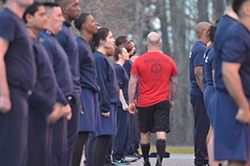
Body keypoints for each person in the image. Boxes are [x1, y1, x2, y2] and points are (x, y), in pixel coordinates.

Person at [23, 2, 66, 166]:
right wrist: (50, 104)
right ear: (29, 18)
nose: (46, 18)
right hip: (36, 109)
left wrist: (60, 102)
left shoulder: (38, 43)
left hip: (47, 109)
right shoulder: (28, 44)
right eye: (41, 15)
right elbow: (30, 80)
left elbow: (49, 77)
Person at [128, 32, 178, 166]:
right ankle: (159, 162)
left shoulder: (139, 61)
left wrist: (131, 101)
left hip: (144, 101)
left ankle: (145, 161)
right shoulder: (169, 61)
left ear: (146, 44)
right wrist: (171, 99)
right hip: (162, 101)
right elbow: (174, 82)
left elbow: (132, 83)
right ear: (160, 43)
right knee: (161, 132)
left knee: (145, 132)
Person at [211, 0, 250, 165]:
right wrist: (243, 106)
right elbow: (229, 72)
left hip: (239, 99)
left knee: (245, 158)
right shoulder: (236, 33)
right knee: (238, 159)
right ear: (247, 9)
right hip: (233, 99)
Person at [0, 0, 36, 165]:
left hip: (21, 95)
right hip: (12, 94)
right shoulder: (7, 19)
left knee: (19, 153)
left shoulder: (17, 21)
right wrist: (4, 95)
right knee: (11, 154)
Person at [37, 2, 73, 166]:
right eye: (58, 16)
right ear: (47, 17)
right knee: (53, 153)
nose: (61, 19)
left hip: (61, 102)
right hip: (54, 103)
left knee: (60, 151)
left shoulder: (53, 40)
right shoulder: (45, 41)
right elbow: (47, 76)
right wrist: (61, 102)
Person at [54, 1, 82, 164]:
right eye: (75, 4)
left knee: (69, 144)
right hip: (66, 95)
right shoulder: (60, 33)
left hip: (73, 93)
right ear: (64, 9)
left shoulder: (66, 32)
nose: (79, 8)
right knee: (63, 145)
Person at [72, 13, 99, 166]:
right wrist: (79, 98)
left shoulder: (86, 46)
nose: (95, 24)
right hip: (83, 93)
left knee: (86, 134)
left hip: (91, 93)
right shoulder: (79, 45)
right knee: (80, 136)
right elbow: (73, 72)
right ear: (84, 25)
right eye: (92, 21)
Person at [91, 27, 119, 166]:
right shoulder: (98, 58)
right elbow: (100, 84)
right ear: (101, 41)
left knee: (106, 139)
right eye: (110, 37)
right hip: (105, 106)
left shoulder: (103, 58)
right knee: (102, 139)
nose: (113, 40)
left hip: (110, 103)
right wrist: (104, 107)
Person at [189, 22, 211, 166]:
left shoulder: (199, 47)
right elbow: (198, 73)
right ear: (203, 31)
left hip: (198, 93)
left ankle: (204, 156)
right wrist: (206, 94)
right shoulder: (200, 48)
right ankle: (201, 158)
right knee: (203, 126)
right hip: (200, 93)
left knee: (203, 125)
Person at [202, 24, 219, 166]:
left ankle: (210, 160)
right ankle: (213, 162)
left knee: (212, 128)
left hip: (209, 90)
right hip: (214, 91)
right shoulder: (215, 52)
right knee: (215, 129)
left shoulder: (209, 49)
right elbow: (216, 78)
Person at [111, 46, 131, 165]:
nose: (127, 54)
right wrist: (123, 103)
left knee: (125, 131)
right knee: (120, 131)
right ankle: (117, 157)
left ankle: (121, 155)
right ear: (119, 55)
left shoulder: (122, 68)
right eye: (124, 52)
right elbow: (118, 88)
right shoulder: (117, 68)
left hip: (125, 104)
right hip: (120, 105)